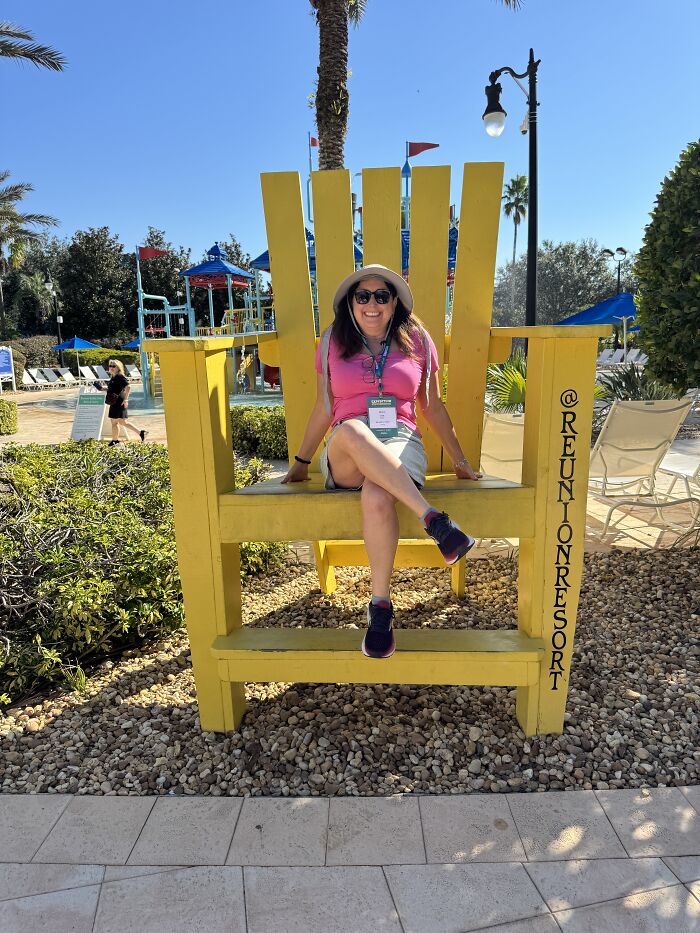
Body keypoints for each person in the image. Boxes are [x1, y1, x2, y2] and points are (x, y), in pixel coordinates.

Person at [282, 264, 482, 659]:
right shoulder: (330, 342)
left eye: (381, 296)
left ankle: (380, 608)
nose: (371, 304)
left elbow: (432, 405)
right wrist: (302, 460)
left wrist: (459, 459)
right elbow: (325, 407)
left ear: (394, 304)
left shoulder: (418, 339)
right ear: (350, 304)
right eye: (363, 296)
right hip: (346, 448)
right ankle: (435, 522)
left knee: (376, 495)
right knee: (354, 430)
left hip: (402, 441)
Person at [95, 359, 148, 446]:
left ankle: (115, 441)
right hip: (115, 401)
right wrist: (101, 388)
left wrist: (126, 400)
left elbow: (128, 387)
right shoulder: (114, 377)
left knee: (114, 422)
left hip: (118, 401)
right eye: (110, 366)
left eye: (113, 366)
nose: (111, 368)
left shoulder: (120, 377)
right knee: (122, 422)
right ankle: (141, 433)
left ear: (118, 368)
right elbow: (112, 389)